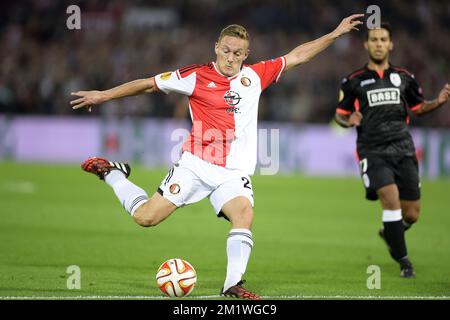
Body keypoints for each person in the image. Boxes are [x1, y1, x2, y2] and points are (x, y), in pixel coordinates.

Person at [71, 14, 364, 299]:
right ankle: (113, 173)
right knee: (145, 218)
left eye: (237, 52)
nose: (230, 57)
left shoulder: (255, 75)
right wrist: (103, 95)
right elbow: (148, 84)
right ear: (216, 48)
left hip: (234, 173)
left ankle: (232, 285)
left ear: (246, 54)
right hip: (196, 165)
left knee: (244, 214)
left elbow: (298, 56)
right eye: (226, 50)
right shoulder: (194, 76)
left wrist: (335, 34)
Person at [334, 22, 450, 278]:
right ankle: (405, 262)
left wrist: (438, 102)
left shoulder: (405, 77)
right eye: (374, 39)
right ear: (366, 45)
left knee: (412, 214)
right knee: (390, 200)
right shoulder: (353, 81)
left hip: (404, 148)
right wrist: (349, 119)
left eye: (383, 39)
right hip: (372, 151)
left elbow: (418, 108)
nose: (378, 44)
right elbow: (340, 115)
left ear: (390, 44)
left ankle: (391, 233)